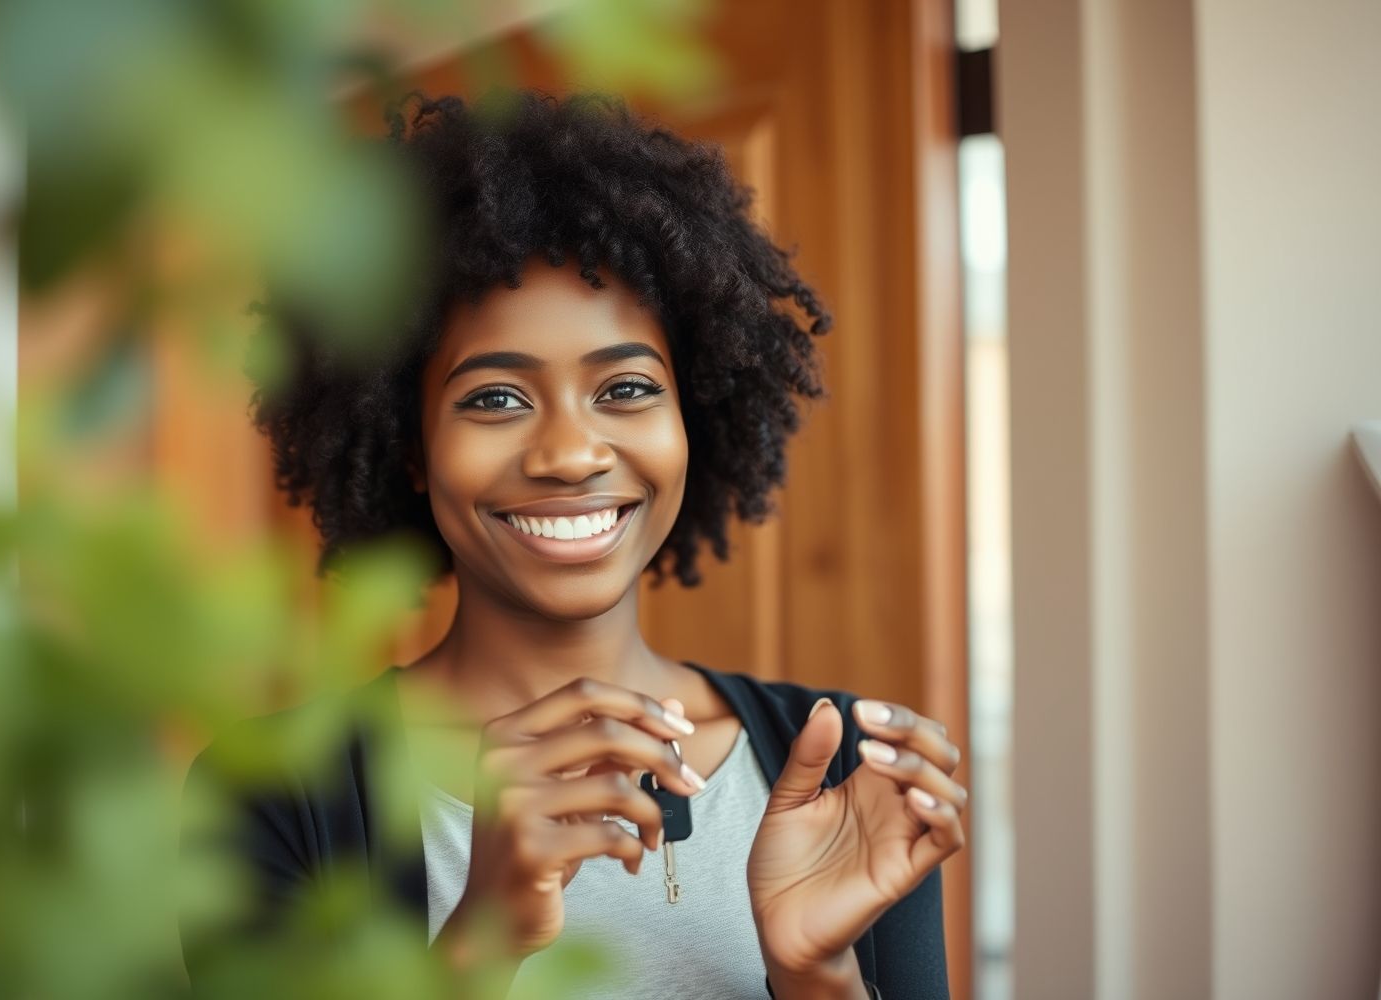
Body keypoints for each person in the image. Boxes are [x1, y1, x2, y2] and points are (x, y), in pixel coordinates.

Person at [189, 89, 966, 999]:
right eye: (495, 398)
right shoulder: (278, 794)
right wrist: (478, 943)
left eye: (627, 389)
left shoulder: (841, 773)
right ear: (408, 446)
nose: (568, 454)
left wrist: (819, 975)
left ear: (693, 416)